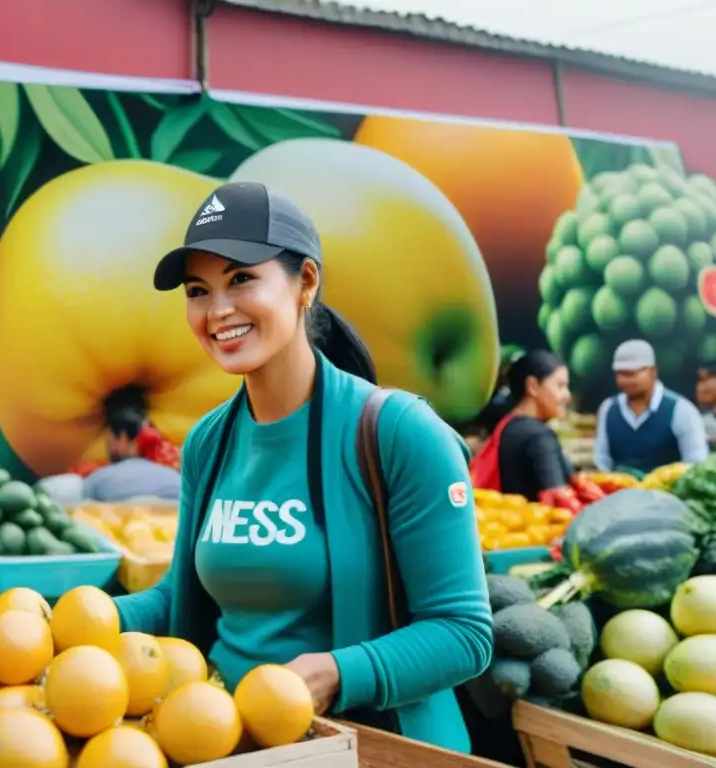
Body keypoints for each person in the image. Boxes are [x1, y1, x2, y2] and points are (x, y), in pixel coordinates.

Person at [114, 181, 492, 753]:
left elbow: (464, 634)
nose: (217, 311)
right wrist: (77, 619)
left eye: (242, 279)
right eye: (198, 290)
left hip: (366, 748)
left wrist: (334, 675)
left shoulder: (398, 434)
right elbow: (180, 598)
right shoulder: (208, 443)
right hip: (228, 741)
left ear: (305, 283)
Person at [594, 340, 709, 473]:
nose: (625, 380)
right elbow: (602, 460)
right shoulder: (608, 409)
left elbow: (696, 465)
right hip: (619, 491)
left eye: (632, 374)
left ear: (653, 371)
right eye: (620, 374)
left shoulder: (682, 410)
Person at [470, 350, 573, 499]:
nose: (567, 396)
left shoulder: (507, 426)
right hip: (536, 521)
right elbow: (559, 501)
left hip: (505, 520)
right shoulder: (539, 437)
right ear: (533, 386)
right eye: (560, 386)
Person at [82, 408, 181, 502]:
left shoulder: (99, 479)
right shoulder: (177, 480)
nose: (108, 449)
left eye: (109, 442)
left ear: (123, 438)